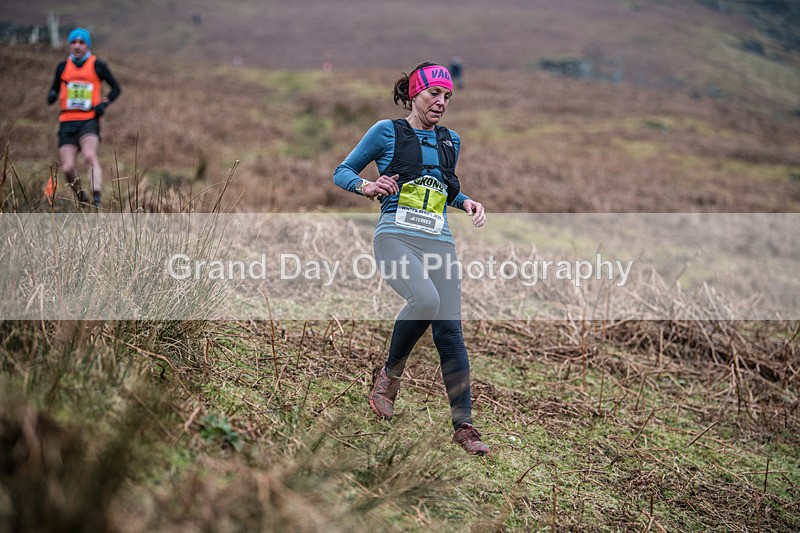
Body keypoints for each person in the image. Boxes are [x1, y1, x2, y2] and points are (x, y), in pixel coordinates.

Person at [333, 62, 490, 455]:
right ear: (415, 94)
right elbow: (342, 171)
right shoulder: (386, 132)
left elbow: (442, 187)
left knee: (450, 332)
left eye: (447, 97)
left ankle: (464, 426)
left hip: (438, 240)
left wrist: (466, 201)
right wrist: (368, 185)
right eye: (434, 94)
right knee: (425, 300)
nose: (441, 102)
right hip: (396, 236)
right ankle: (389, 373)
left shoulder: (450, 140)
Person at [47, 27, 121, 208]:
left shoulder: (98, 66)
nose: (77, 46)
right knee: (67, 168)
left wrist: (104, 104)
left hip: (89, 120)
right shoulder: (62, 67)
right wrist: (52, 94)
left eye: (81, 42)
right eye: (73, 42)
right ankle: (82, 198)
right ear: (69, 45)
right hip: (67, 121)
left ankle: (96, 199)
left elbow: (116, 89)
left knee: (89, 155)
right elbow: (55, 88)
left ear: (87, 45)